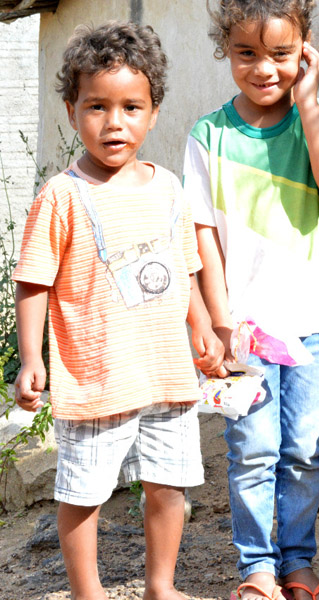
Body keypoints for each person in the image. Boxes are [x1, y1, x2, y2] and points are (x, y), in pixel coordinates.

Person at [13, 21, 225, 600]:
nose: (114, 122)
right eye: (96, 106)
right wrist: (31, 357)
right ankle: (88, 592)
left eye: (131, 107)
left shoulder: (169, 189)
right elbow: (34, 279)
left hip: (165, 375)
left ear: (153, 112)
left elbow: (186, 269)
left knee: (170, 486)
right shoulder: (62, 195)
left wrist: (203, 328)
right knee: (84, 491)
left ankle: (161, 585)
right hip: (96, 376)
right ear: (70, 108)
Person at [182, 1, 319, 599]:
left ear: (306, 50)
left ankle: (297, 563)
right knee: (255, 451)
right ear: (226, 51)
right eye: (247, 54)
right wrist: (217, 319)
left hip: (312, 319)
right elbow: (201, 234)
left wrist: (308, 100)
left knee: (304, 453)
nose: (264, 68)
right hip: (245, 330)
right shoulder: (207, 135)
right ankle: (258, 568)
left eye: (282, 54)